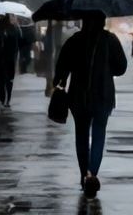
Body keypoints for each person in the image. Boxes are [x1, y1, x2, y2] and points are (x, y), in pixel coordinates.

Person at [54, 13, 128, 197]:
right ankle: (91, 173)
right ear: (103, 22)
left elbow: (62, 66)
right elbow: (121, 67)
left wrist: (60, 80)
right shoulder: (110, 40)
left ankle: (83, 174)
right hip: (103, 95)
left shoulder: (75, 40)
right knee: (99, 134)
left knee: (81, 134)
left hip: (79, 96)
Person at [0, 15, 23, 107]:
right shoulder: (13, 29)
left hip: (0, 58)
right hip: (10, 58)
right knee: (9, 79)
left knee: (1, 79)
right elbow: (19, 43)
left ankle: (3, 99)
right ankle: (7, 99)